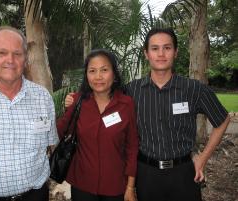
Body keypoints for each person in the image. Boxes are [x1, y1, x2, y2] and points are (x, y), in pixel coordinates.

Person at [65, 28, 230, 201]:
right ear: (146, 53)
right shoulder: (131, 91)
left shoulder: (194, 89)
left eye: (167, 48)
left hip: (183, 173)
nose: (161, 54)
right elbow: (101, 92)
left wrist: (203, 158)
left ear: (175, 52)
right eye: (155, 48)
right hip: (146, 175)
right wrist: (74, 99)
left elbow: (222, 119)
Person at [0, 26, 58, 201]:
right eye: (2, 53)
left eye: (17, 54)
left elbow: (50, 143)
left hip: (35, 196)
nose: (10, 60)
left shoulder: (42, 98)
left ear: (25, 59)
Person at [57, 49, 139, 201]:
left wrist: (130, 187)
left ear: (114, 74)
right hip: (82, 185)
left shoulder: (126, 104)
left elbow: (132, 147)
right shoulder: (78, 101)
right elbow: (59, 132)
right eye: (92, 71)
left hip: (115, 186)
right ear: (86, 75)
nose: (98, 77)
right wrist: (67, 108)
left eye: (104, 70)